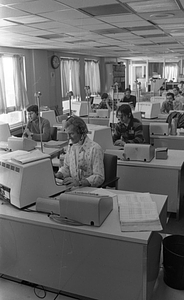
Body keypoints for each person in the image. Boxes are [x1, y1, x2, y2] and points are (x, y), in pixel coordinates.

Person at [55, 116, 104, 188]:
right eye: (67, 134)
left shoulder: (95, 149)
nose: (69, 137)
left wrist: (80, 183)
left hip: (89, 190)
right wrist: (59, 174)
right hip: (73, 187)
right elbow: (66, 167)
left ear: (81, 132)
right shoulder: (71, 146)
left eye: (71, 134)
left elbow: (99, 177)